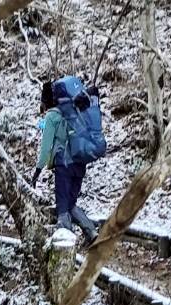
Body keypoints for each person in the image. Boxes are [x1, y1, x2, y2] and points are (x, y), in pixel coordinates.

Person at [32, 79, 101, 247]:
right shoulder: (74, 110)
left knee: (62, 206)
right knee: (71, 203)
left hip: (64, 165)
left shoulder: (52, 116)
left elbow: (46, 148)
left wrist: (37, 171)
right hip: (80, 162)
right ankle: (91, 232)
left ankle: (65, 244)